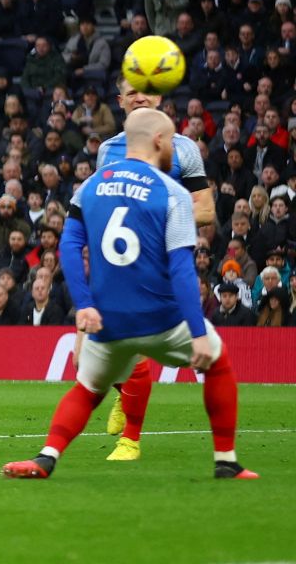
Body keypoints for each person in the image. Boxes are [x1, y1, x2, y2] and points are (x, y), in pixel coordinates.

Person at [3, 110, 257, 480]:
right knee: (216, 359)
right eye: (170, 140)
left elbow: (70, 246)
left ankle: (45, 458)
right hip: (160, 317)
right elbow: (183, 269)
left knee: (88, 390)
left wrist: (85, 306)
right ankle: (226, 461)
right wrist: (198, 334)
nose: (172, 148)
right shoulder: (172, 193)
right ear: (157, 142)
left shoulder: (89, 187)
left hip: (107, 322)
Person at [91, 74, 216, 460]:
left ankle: (131, 439)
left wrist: (155, 219)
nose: (140, 98)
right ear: (121, 101)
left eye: (146, 91)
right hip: (118, 261)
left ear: (159, 98)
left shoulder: (185, 150)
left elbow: (208, 211)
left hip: (163, 262)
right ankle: (125, 392)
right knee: (97, 341)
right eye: (132, 93)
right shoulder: (107, 151)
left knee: (138, 341)